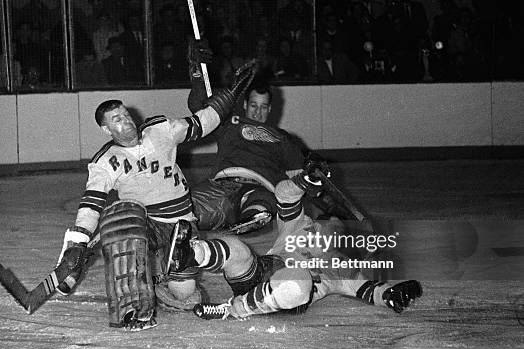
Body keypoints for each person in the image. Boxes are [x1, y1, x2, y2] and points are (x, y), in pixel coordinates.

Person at [56, 53, 257, 331]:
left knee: (186, 297)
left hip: (181, 223)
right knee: (119, 224)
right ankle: (133, 309)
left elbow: (202, 123)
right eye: (116, 120)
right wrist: (79, 241)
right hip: (146, 223)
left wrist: (232, 94)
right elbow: (91, 205)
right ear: (106, 129)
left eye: (125, 114)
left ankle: (161, 280)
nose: (125, 121)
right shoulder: (104, 161)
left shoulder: (160, 130)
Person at [167, 161, 422, 320]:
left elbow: (369, 291)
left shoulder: (341, 267)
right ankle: (188, 254)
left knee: (298, 282)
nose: (329, 231)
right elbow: (284, 195)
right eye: (328, 224)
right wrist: (305, 181)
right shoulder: (299, 226)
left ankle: (232, 309)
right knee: (237, 248)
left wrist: (390, 293)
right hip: (261, 271)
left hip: (287, 296)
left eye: (337, 230)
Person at [188, 41, 308, 234]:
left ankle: (250, 219)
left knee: (263, 203)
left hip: (261, 186)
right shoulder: (229, 123)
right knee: (189, 213)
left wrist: (315, 177)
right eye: (253, 105)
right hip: (224, 185)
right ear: (245, 105)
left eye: (262, 107)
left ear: (269, 109)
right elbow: (197, 107)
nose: (257, 112)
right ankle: (196, 221)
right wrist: (197, 74)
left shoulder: (283, 138)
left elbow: (300, 179)